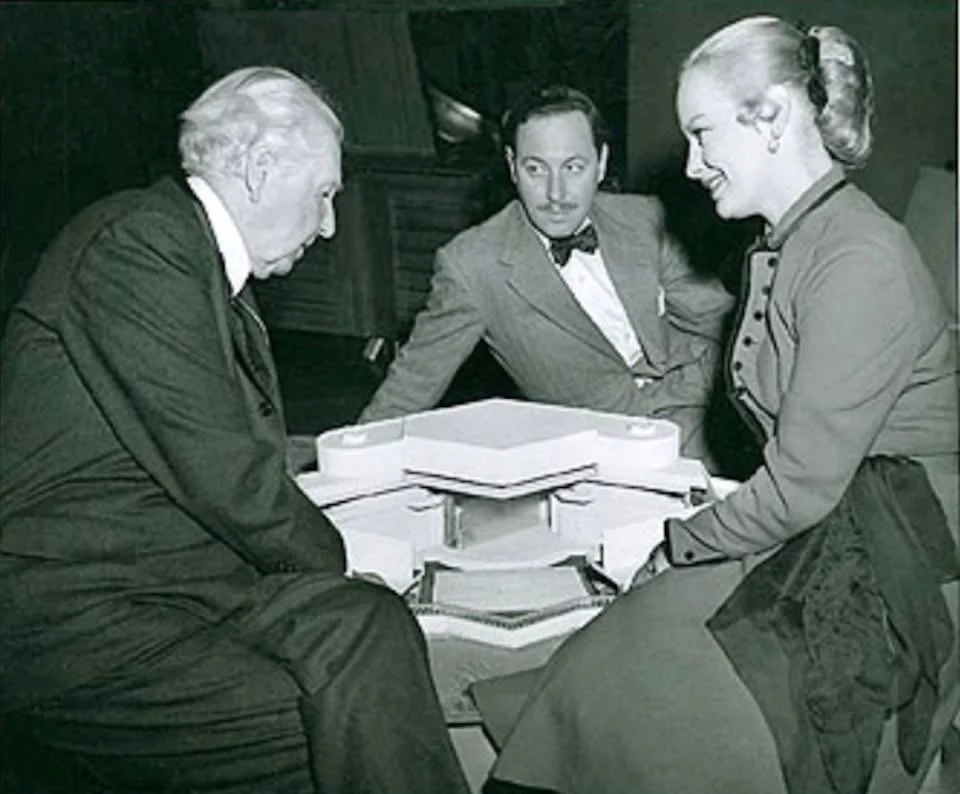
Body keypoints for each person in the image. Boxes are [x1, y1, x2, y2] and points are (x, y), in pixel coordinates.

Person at [471, 17, 959, 794]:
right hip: (833, 517)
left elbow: (801, 486)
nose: (693, 166)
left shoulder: (857, 257)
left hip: (904, 549)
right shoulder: (790, 239)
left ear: (771, 118)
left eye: (703, 134)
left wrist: (679, 541)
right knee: (613, 645)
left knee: (661, 683)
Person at [0, 66, 469, 794]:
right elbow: (232, 477)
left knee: (370, 624)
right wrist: (342, 556)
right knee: (341, 725)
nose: (330, 225)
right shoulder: (140, 244)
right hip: (78, 612)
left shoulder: (193, 262)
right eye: (324, 195)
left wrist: (357, 574)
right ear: (258, 167)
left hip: (181, 579)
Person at [358, 84, 733, 462]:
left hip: (707, 420)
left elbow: (724, 327)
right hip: (596, 456)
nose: (556, 193)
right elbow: (412, 384)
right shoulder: (473, 265)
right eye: (536, 169)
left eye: (573, 167)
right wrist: (346, 468)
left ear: (601, 164)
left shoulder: (646, 219)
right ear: (512, 167)